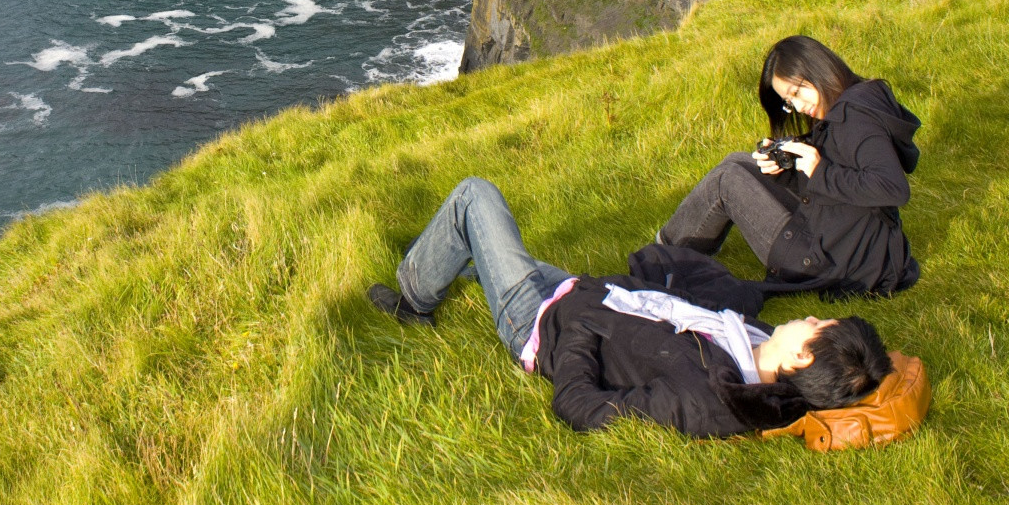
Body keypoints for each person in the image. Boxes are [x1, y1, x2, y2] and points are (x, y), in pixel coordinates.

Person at [368, 178, 894, 436]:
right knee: (482, 250)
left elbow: (581, 406)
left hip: (540, 321)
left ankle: (413, 301)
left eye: (817, 326)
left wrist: (577, 327)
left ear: (800, 360)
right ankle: (456, 259)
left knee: (474, 198)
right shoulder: (757, 344)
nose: (811, 318)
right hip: (585, 290)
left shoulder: (705, 398)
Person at [656, 35, 921, 296]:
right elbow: (841, 180)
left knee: (727, 179)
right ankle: (675, 253)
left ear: (817, 70)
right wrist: (786, 172)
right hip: (843, 241)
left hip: (831, 262)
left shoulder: (855, 117)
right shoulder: (853, 100)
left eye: (796, 92)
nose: (798, 107)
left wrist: (820, 170)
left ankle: (659, 264)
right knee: (737, 161)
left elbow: (892, 188)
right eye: (789, 102)